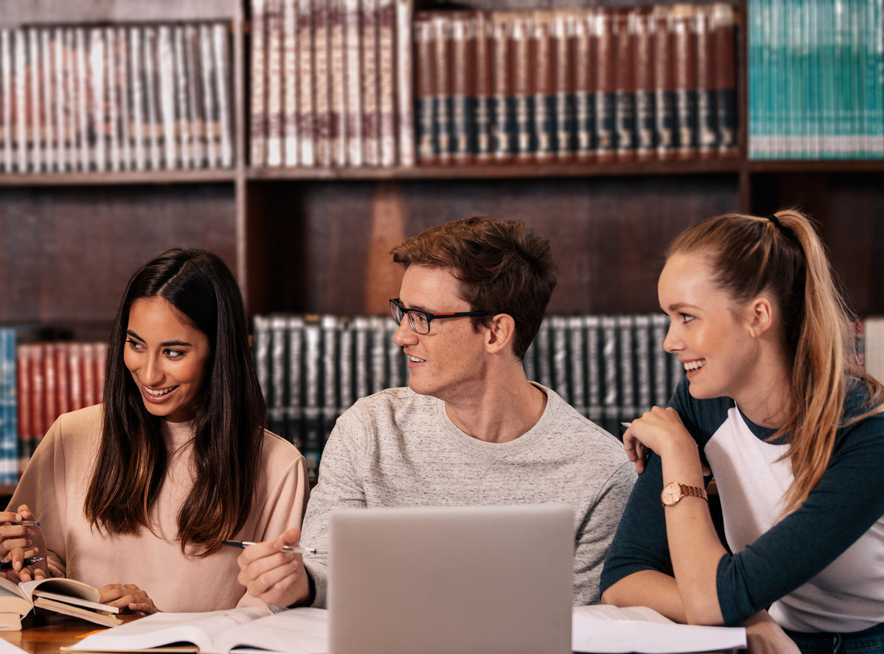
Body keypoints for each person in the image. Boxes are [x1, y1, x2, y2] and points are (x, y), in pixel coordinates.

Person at [600, 209, 884, 654]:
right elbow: (625, 578)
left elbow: (710, 600)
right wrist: (751, 619)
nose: (668, 341)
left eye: (686, 317)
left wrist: (680, 455)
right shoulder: (701, 407)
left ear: (758, 315)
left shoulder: (874, 435)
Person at [237, 216, 637, 608]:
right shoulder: (368, 430)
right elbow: (323, 570)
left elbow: (582, 628)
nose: (401, 336)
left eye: (423, 318)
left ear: (496, 332)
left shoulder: (600, 470)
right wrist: (296, 582)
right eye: (403, 312)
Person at [0, 248, 308, 613]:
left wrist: (157, 624)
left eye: (173, 352)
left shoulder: (278, 466)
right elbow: (43, 576)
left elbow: (268, 618)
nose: (149, 374)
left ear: (219, 352)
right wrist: (30, 562)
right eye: (136, 345)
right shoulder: (70, 435)